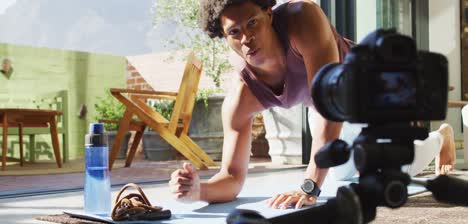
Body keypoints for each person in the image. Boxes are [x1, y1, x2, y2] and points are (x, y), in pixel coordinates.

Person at [169, 0, 456, 209]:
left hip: (363, 86)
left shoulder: (302, 19)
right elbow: (231, 177)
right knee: (343, 173)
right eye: (234, 32)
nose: (247, 39)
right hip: (324, 106)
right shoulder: (241, 96)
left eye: (252, 23)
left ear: (268, 15)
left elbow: (328, 105)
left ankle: (441, 137)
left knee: (389, 169)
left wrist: (309, 187)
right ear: (225, 38)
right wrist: (199, 190)